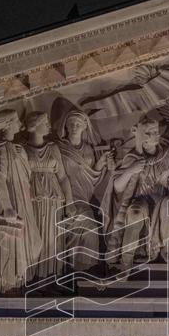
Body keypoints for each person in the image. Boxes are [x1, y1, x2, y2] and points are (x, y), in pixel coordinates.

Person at [103, 115, 169, 267]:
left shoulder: (168, 154)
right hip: (141, 200)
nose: (156, 135)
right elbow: (118, 187)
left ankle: (166, 249)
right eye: (150, 133)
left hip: (162, 199)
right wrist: (130, 170)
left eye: (156, 131)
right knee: (135, 212)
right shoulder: (133, 158)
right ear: (141, 136)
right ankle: (129, 255)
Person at [0, 108, 41, 294]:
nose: (20, 124)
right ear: (8, 124)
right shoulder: (0, 148)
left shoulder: (16, 148)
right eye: (16, 121)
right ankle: (8, 285)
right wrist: (7, 206)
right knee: (11, 241)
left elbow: (25, 177)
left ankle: (17, 282)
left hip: (21, 201)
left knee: (33, 243)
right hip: (9, 203)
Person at [55, 108, 112, 270]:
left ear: (85, 127)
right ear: (65, 126)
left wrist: (100, 164)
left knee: (88, 226)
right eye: (71, 123)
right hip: (65, 198)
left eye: (78, 124)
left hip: (83, 197)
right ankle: (79, 267)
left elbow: (91, 177)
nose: (74, 127)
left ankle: (83, 268)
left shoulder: (88, 149)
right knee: (87, 225)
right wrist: (68, 201)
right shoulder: (59, 147)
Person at [25, 111, 73, 280]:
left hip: (53, 199)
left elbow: (63, 177)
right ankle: (31, 278)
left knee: (52, 237)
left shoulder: (53, 148)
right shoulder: (22, 149)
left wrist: (70, 203)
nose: (48, 126)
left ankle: (50, 278)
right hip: (31, 200)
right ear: (34, 126)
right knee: (33, 236)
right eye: (45, 123)